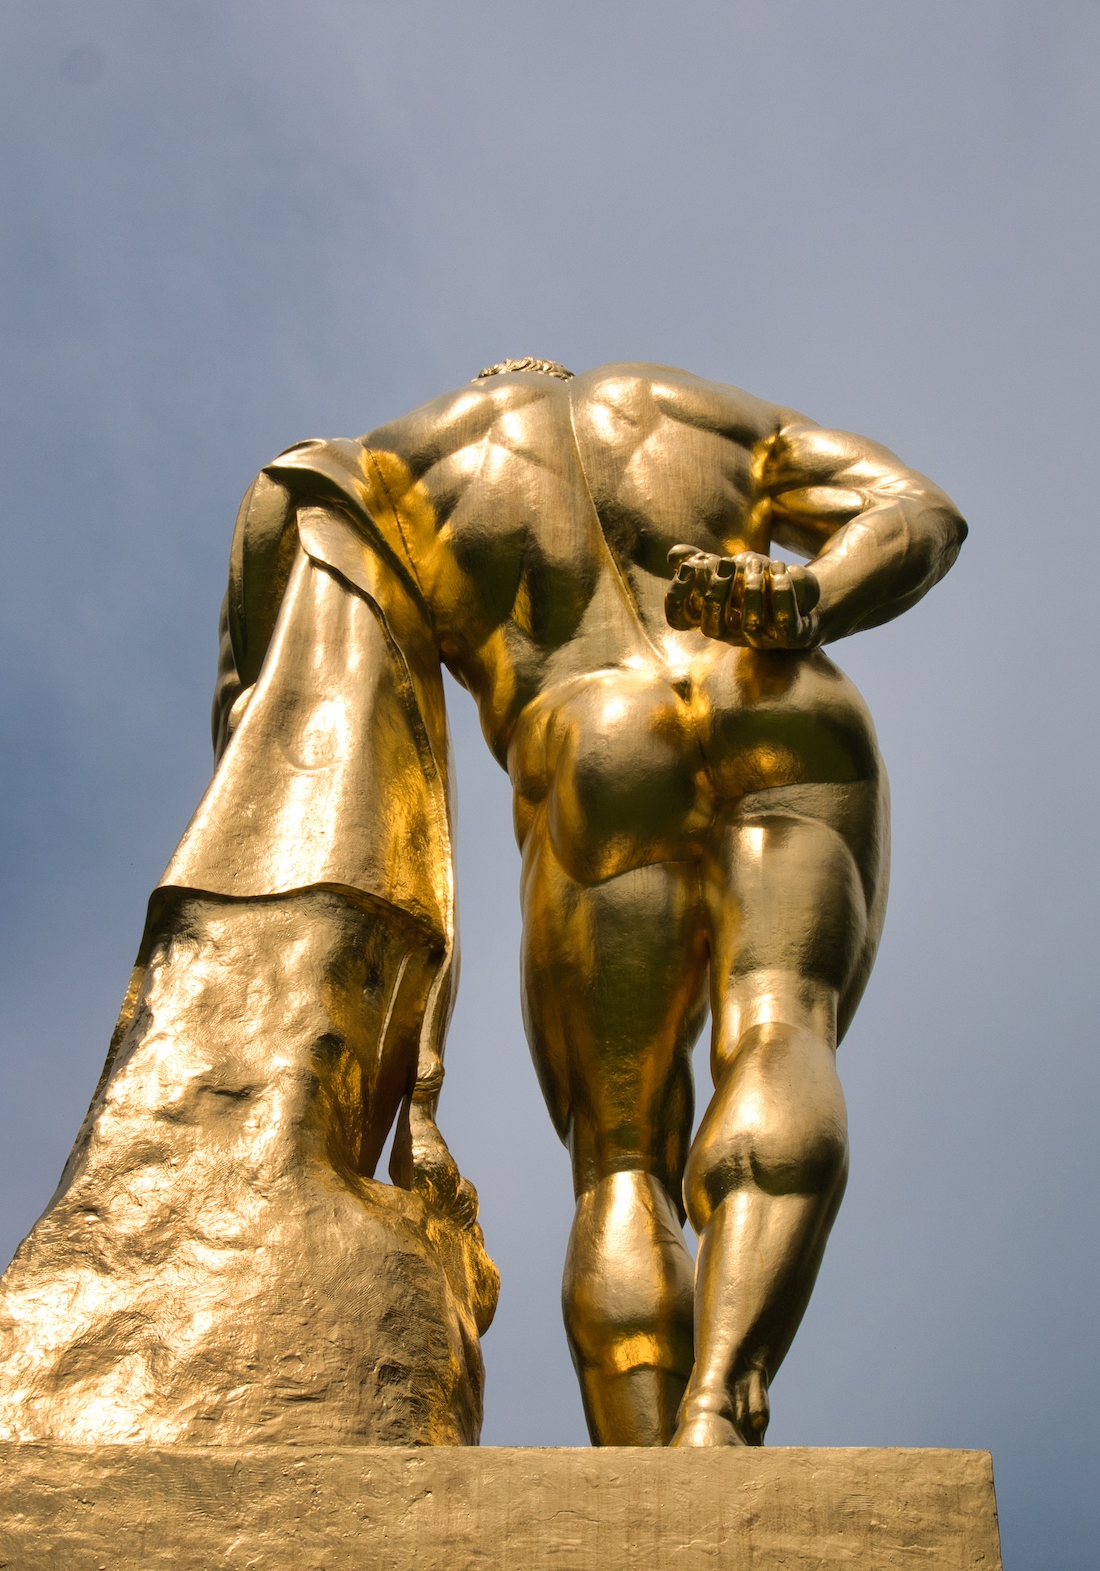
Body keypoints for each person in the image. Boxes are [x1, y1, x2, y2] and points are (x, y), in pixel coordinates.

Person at [347, 356, 965, 1448]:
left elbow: (319, 713)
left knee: (619, 1162)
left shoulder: (396, 470)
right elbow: (918, 512)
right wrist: (813, 595)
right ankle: (720, 1401)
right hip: (773, 684)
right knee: (781, 1023)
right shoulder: (702, 411)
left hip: (587, 740)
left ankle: (648, 1477)